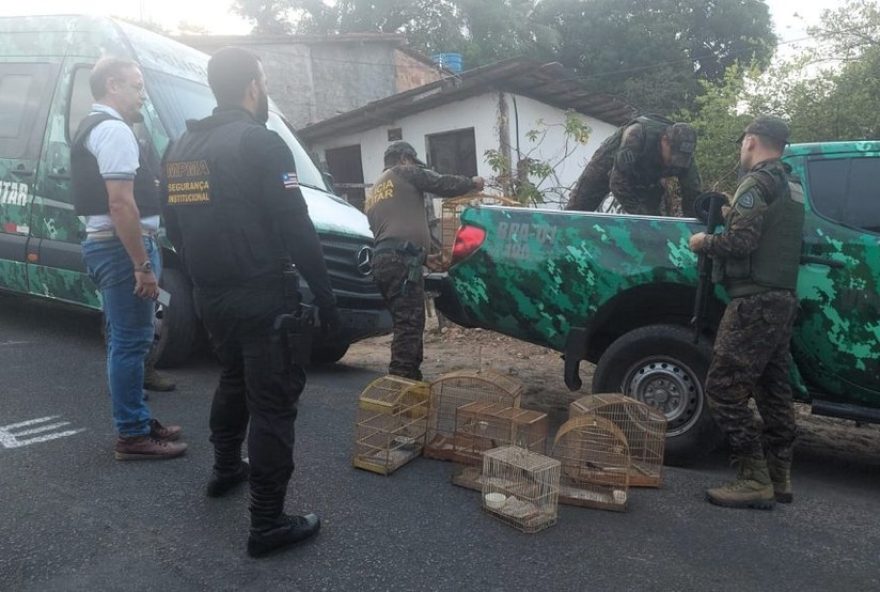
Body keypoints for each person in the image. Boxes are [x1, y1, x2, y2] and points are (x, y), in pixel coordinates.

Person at [161, 47, 339, 558]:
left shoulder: (179, 148)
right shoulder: (260, 143)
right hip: (262, 295)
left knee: (233, 379)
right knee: (273, 404)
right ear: (254, 86)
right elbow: (296, 227)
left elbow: (173, 226)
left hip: (211, 296)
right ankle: (266, 522)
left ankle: (224, 470)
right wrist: (326, 298)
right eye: (263, 83)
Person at [72, 58, 186, 461]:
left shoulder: (93, 126)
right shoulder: (113, 130)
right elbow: (120, 203)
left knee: (129, 341)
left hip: (112, 248)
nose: (142, 95)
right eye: (136, 86)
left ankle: (136, 421)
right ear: (113, 84)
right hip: (123, 251)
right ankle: (133, 435)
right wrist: (141, 264)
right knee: (130, 342)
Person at [688, 115, 804, 509]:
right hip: (781, 298)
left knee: (722, 388)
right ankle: (778, 475)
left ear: (752, 141)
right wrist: (728, 214)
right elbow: (767, 232)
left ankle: (753, 477)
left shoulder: (756, 182)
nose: (742, 149)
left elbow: (740, 242)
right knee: (773, 389)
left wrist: (704, 241)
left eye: (743, 142)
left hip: (753, 302)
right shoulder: (791, 185)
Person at [365, 141, 483, 381]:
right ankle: (402, 382)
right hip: (401, 261)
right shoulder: (401, 171)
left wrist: (425, 258)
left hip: (385, 260)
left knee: (405, 321)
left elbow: (391, 232)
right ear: (405, 159)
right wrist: (472, 183)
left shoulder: (375, 192)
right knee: (409, 325)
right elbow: (439, 183)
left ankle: (409, 378)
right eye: (413, 162)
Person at [565, 115, 701, 217]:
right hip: (609, 164)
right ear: (664, 140)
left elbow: (692, 194)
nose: (674, 161)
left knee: (655, 222)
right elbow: (617, 182)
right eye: (673, 155)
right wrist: (640, 214)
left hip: (647, 177)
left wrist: (693, 226)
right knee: (577, 210)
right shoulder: (637, 134)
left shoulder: (684, 154)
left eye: (681, 157)